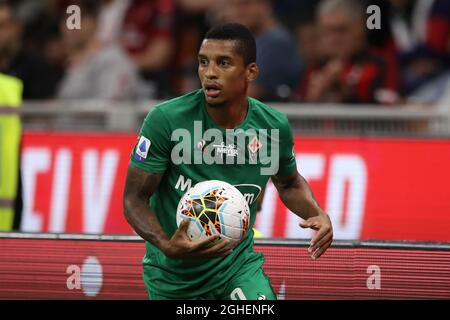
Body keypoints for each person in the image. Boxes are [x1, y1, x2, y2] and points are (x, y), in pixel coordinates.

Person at [123, 23, 333, 300]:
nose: (209, 73)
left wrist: (316, 212)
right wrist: (166, 244)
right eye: (203, 62)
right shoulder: (166, 119)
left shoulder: (272, 127)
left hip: (237, 269)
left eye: (223, 63)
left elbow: (289, 182)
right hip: (173, 278)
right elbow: (133, 198)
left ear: (251, 71)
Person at [296, 0, 399, 104]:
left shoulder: (381, 65)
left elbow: (388, 113)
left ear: (361, 28)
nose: (333, 39)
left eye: (341, 30)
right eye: (326, 32)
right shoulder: (314, 69)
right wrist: (311, 97)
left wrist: (344, 89)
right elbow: (297, 112)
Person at [57, 1, 146, 100]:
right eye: (67, 20)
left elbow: (110, 108)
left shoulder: (112, 58)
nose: (72, 26)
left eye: (80, 19)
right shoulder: (73, 65)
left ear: (96, 23)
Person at [221, 0, 302, 101]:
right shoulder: (246, 41)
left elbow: (248, 92)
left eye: (244, 4)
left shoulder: (277, 42)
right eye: (233, 6)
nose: (237, 12)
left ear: (265, 5)